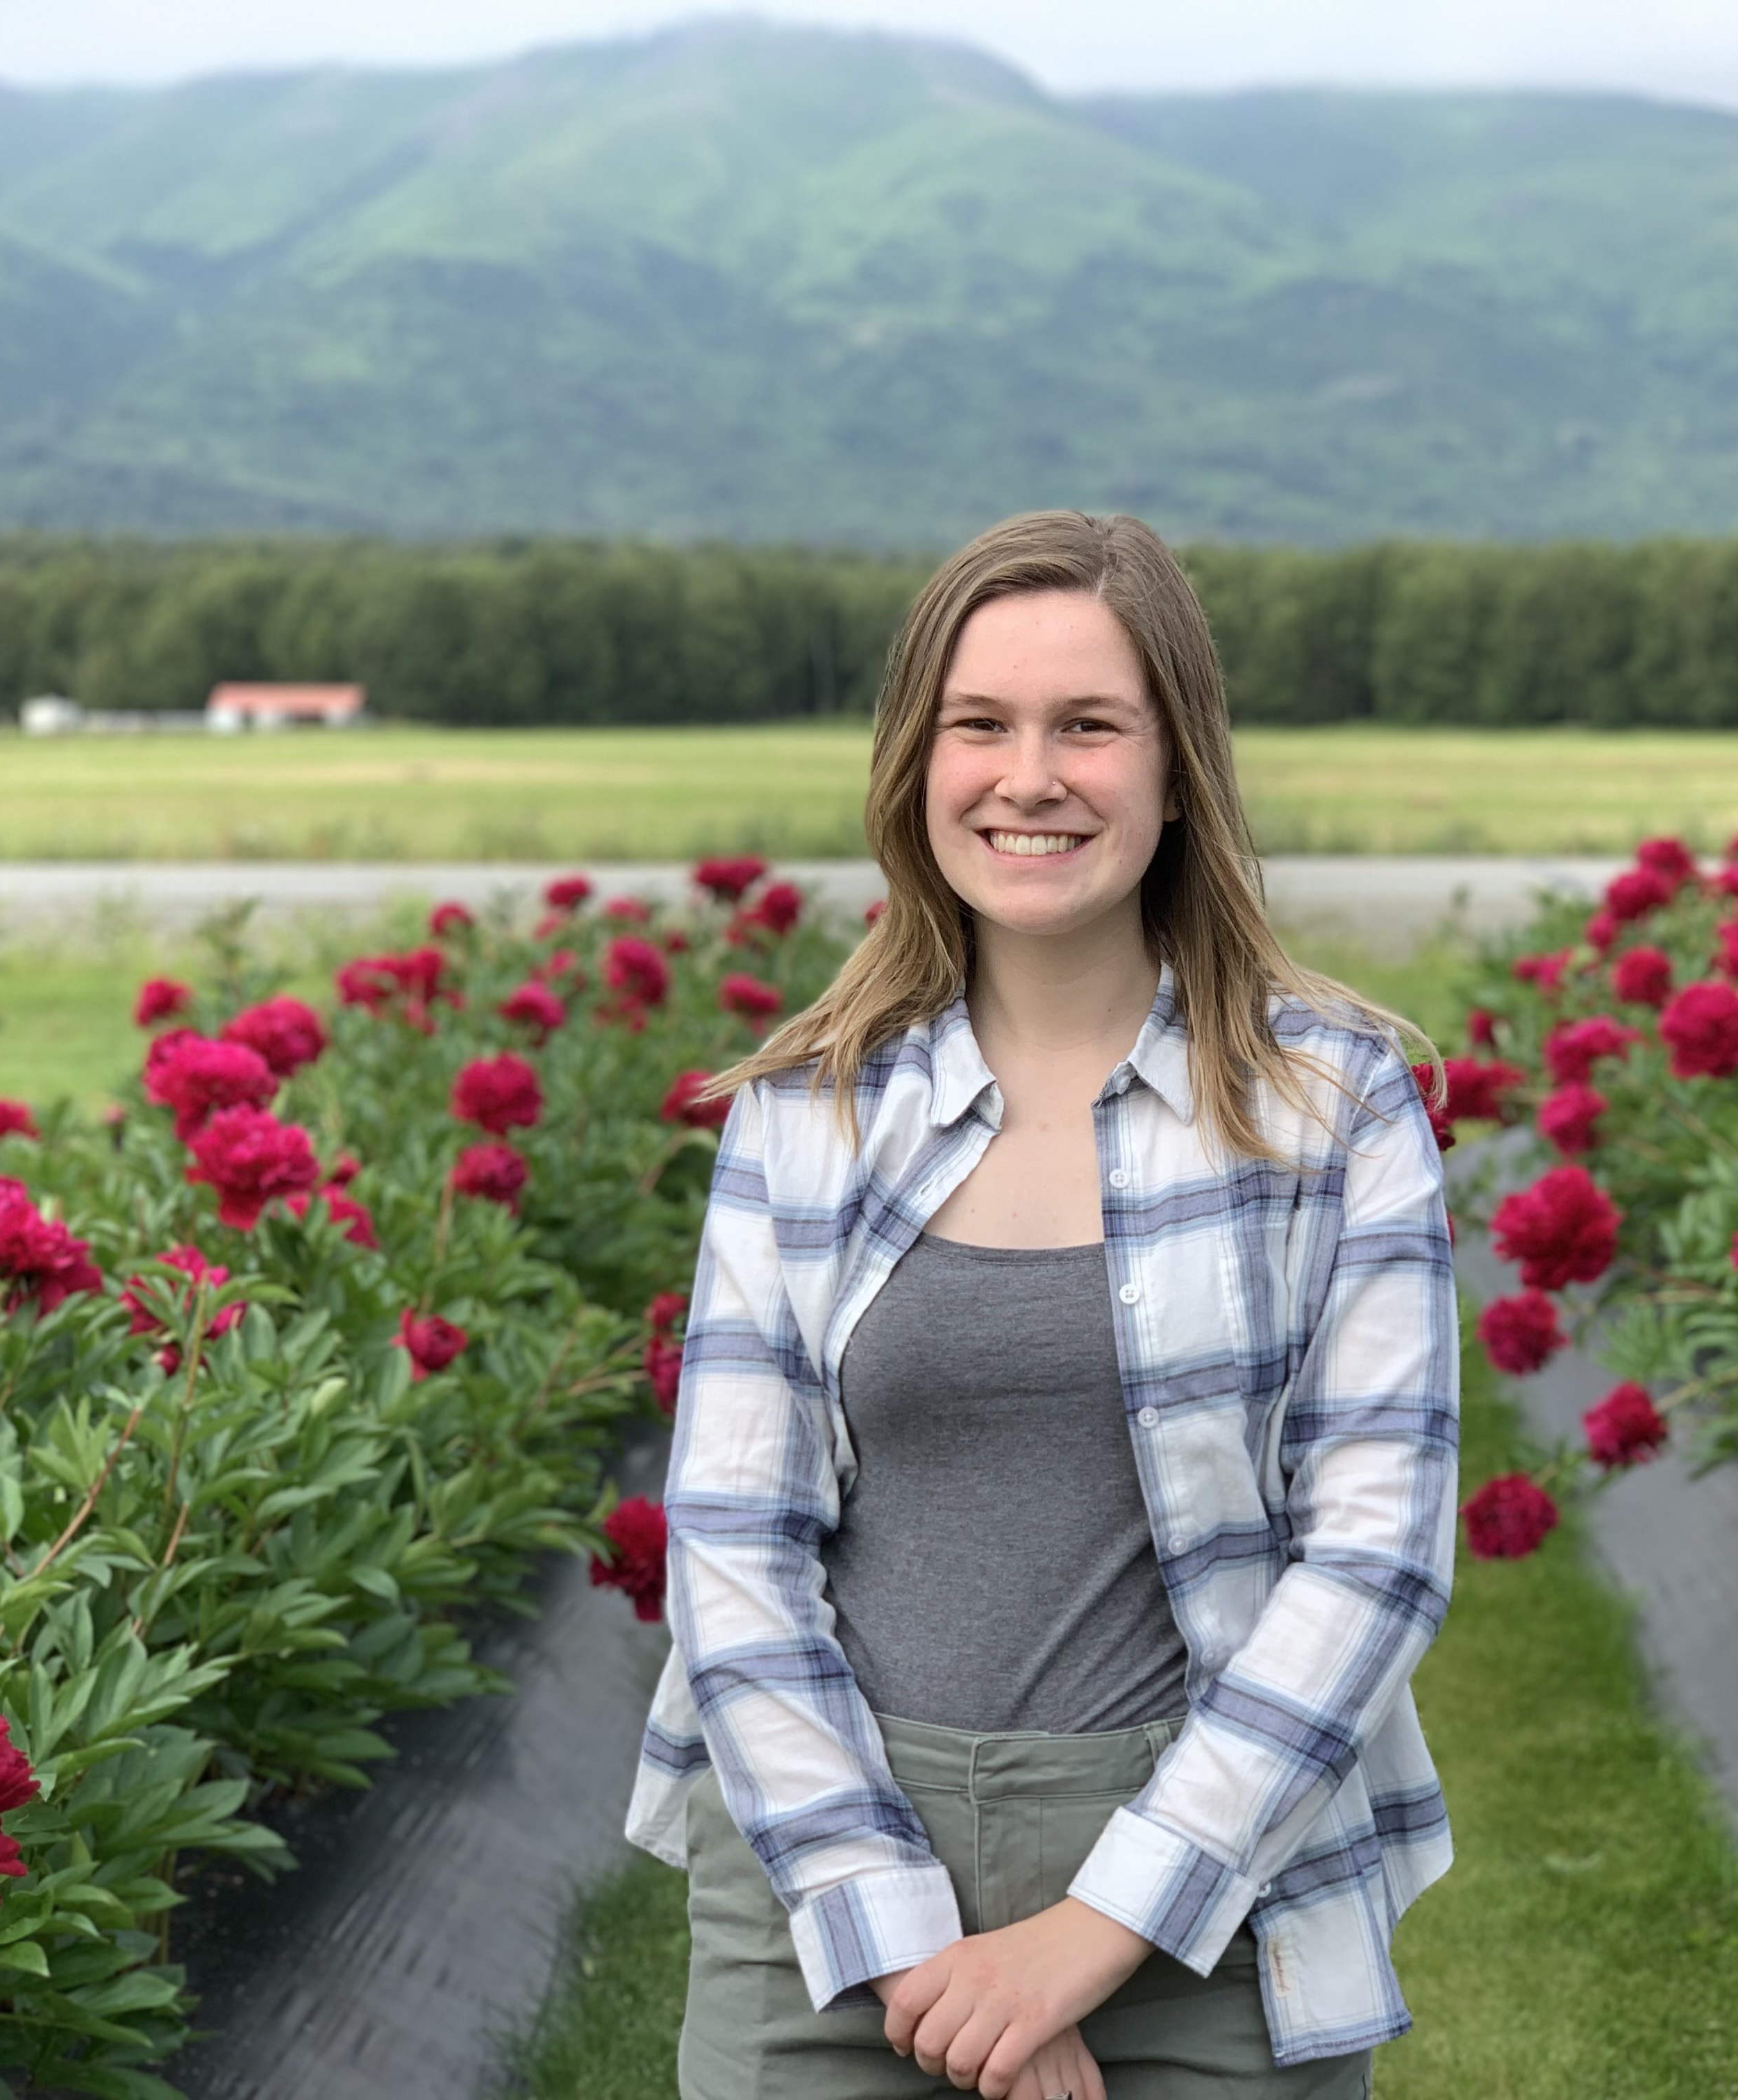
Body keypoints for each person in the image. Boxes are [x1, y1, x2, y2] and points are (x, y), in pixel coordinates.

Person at [624, 510, 1459, 2099]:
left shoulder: (1332, 1106)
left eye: (1090, 725)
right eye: (980, 725)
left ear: (1176, 763)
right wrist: (909, 1939)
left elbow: (1377, 1556)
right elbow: (734, 1549)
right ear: (913, 765)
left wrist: (1097, 1930)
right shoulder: (807, 1112)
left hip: (1207, 1875)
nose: (1031, 777)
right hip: (826, 1877)